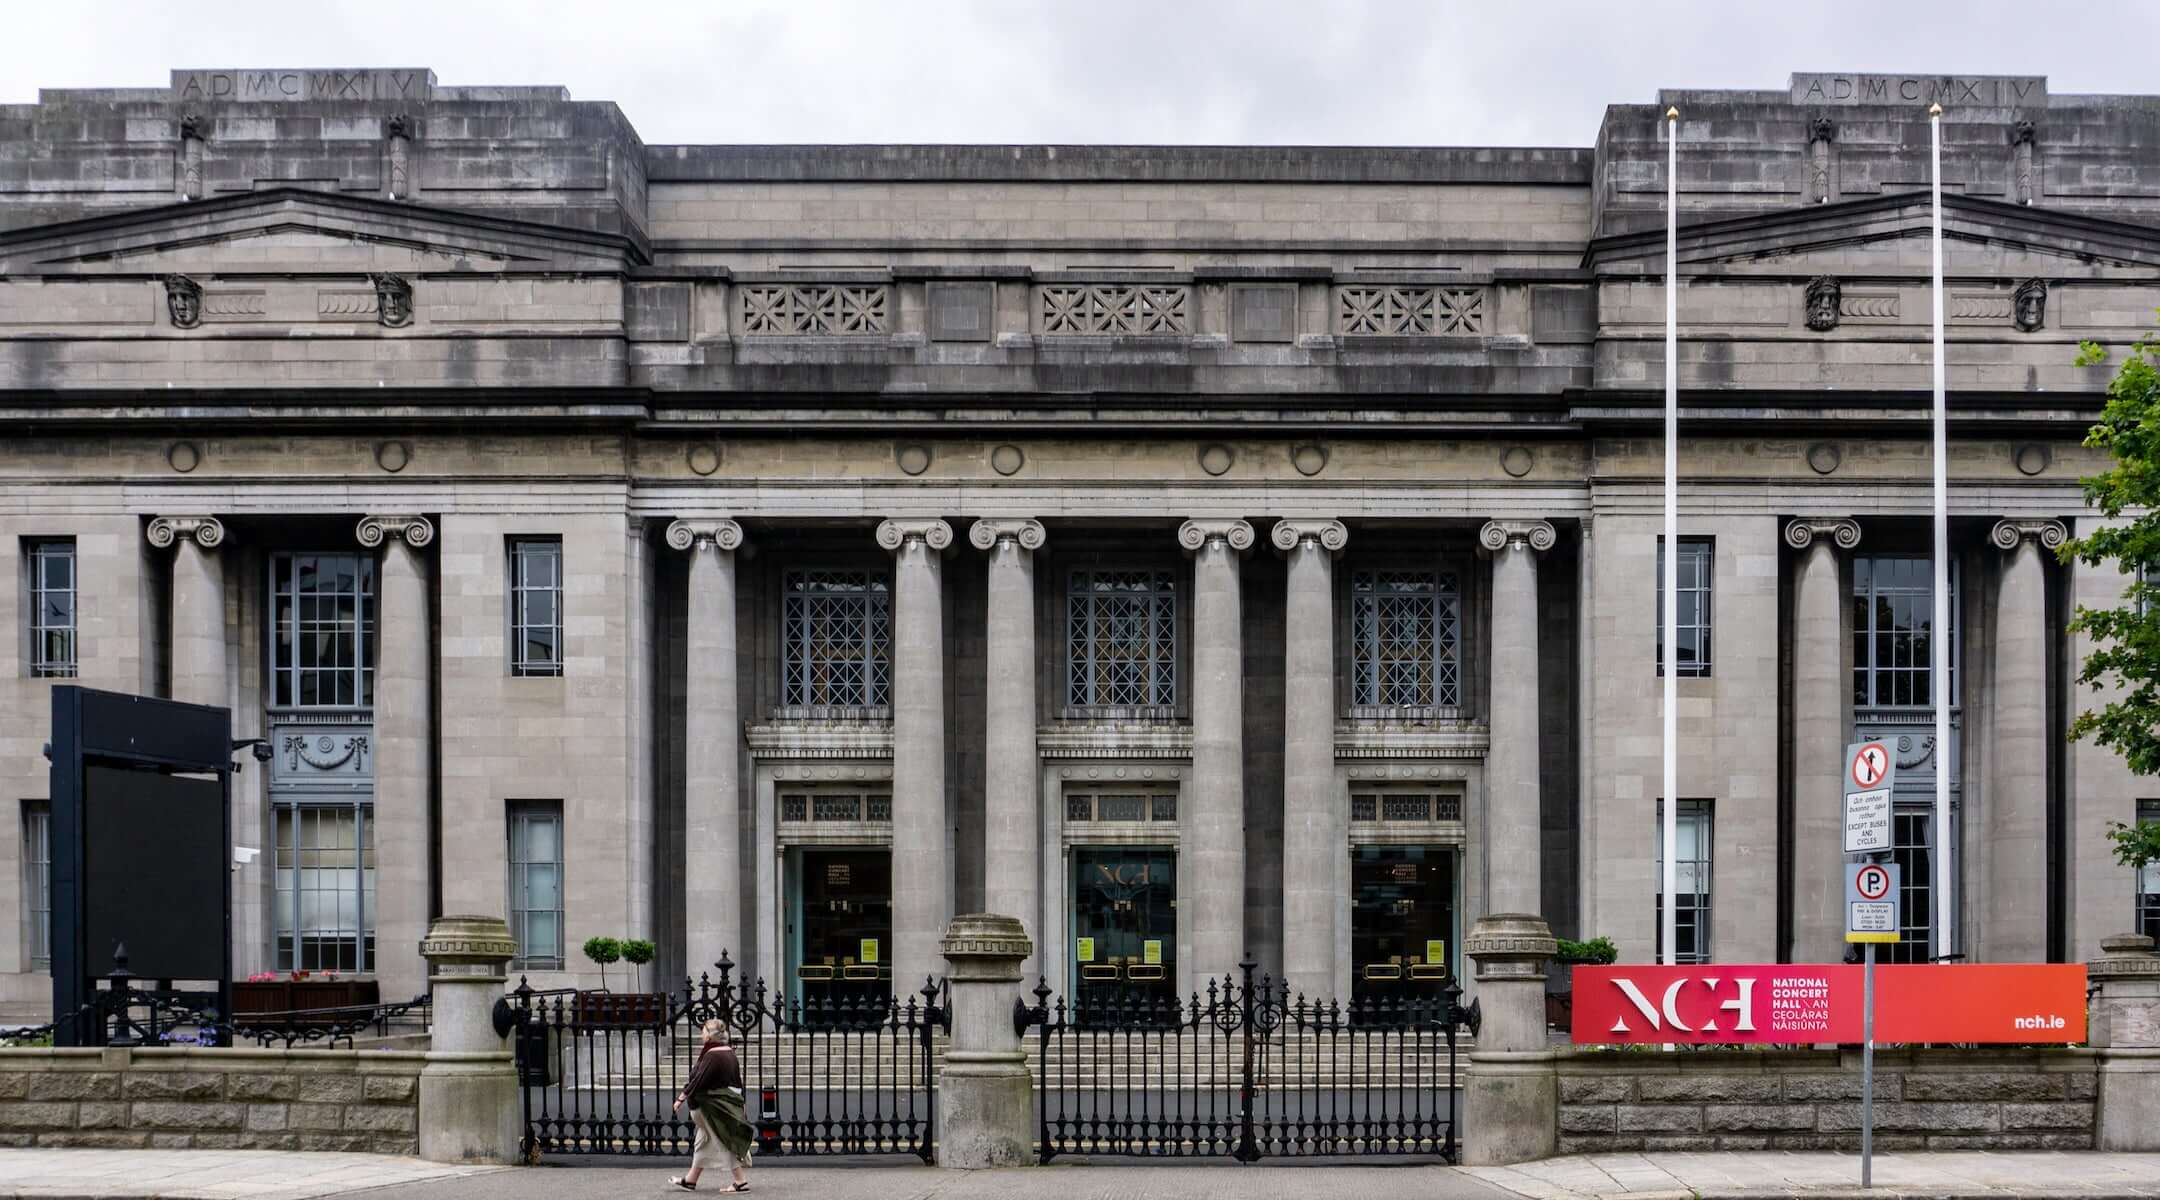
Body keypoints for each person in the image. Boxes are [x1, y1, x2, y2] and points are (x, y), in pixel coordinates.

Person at [670, 1018, 752, 1192]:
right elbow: (737, 1082)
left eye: (703, 1030)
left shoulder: (712, 1054)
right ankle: (691, 1180)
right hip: (719, 1106)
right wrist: (741, 1102)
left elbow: (698, 1080)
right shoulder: (728, 1051)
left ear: (709, 1034)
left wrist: (680, 1099)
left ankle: (740, 1181)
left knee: (722, 1140)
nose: (701, 1033)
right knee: (703, 1142)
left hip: (711, 1107)